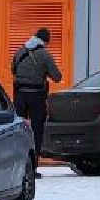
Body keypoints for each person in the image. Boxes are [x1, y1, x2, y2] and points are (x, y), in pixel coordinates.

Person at [10, 27, 63, 169]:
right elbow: (57, 77)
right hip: (37, 96)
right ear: (46, 41)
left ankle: (17, 165)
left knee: (19, 129)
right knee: (37, 130)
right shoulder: (44, 54)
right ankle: (33, 167)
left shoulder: (19, 52)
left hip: (20, 95)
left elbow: (13, 70)